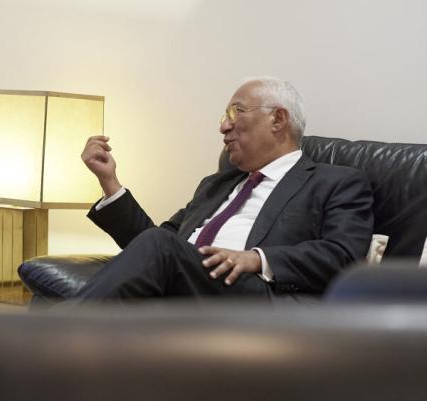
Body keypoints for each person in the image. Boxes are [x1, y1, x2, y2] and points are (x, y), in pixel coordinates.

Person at [73, 76, 374, 302]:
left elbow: (344, 256)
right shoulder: (216, 185)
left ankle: (52, 340)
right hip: (187, 288)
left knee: (160, 246)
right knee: (158, 246)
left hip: (257, 296)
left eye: (236, 112)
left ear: (278, 119)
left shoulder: (335, 182)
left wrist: (257, 258)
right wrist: (109, 182)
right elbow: (152, 247)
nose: (223, 127)